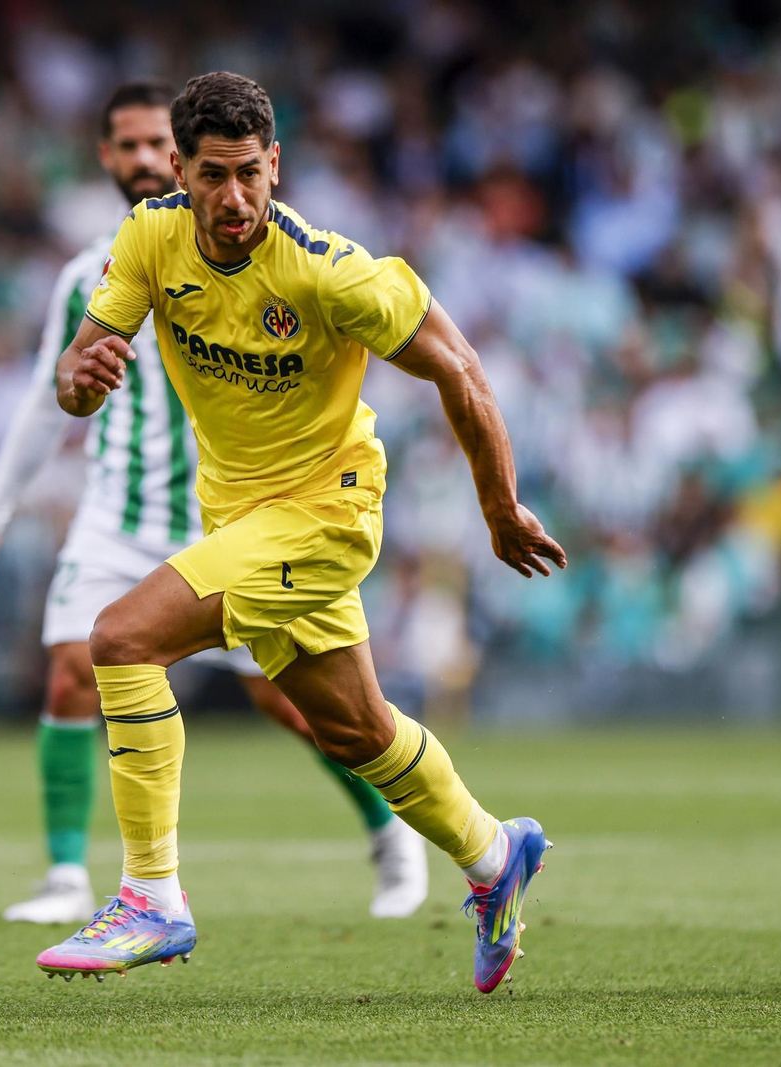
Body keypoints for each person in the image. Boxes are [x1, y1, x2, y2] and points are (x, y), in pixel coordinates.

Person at [37, 72, 565, 994]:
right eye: (212, 176)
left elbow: (462, 371)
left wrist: (498, 506)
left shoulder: (327, 268)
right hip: (241, 515)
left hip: (326, 512)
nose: (233, 197)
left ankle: (152, 895)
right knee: (355, 729)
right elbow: (78, 367)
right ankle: (494, 855)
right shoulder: (151, 237)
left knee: (120, 638)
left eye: (249, 173)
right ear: (179, 169)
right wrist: (79, 381)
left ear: (275, 165)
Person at [0, 82, 427, 926]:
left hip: (233, 512)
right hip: (121, 511)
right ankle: (69, 872)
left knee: (295, 703)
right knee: (72, 668)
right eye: (125, 147)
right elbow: (47, 391)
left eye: (148, 144)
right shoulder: (96, 271)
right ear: (115, 159)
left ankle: (391, 829)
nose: (139, 161)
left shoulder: (273, 254)